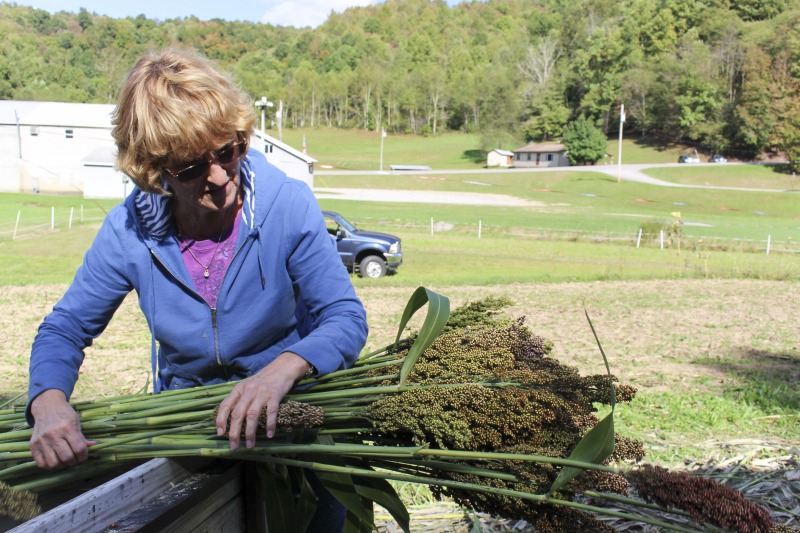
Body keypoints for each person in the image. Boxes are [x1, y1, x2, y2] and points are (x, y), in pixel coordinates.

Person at [26, 47, 368, 530]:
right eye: (189, 168)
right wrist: (49, 402)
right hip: (193, 435)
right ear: (155, 170)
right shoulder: (129, 233)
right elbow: (65, 327)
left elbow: (345, 318)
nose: (220, 176)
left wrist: (279, 372)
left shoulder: (287, 205)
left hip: (295, 424)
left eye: (227, 151)